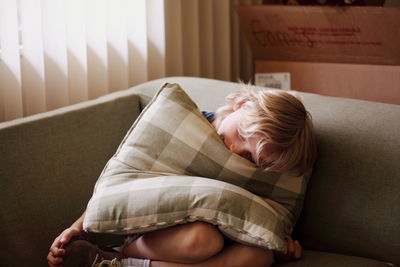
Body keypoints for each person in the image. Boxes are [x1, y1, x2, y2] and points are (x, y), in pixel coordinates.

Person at [47, 86, 316, 267]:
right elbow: (125, 176)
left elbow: (263, 214)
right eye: (242, 136)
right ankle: (123, 255)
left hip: (227, 237)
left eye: (250, 158)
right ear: (241, 105)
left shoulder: (264, 172)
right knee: (202, 237)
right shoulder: (183, 126)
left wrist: (279, 244)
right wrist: (77, 228)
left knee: (260, 256)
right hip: (155, 232)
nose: (235, 150)